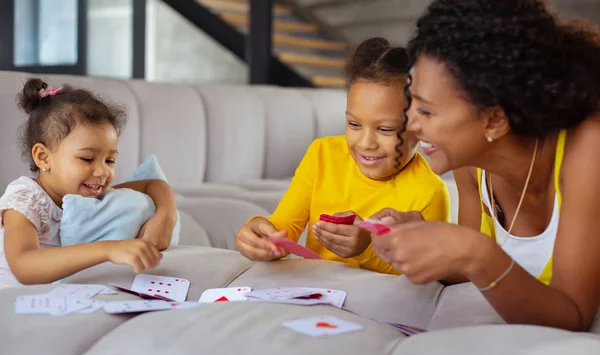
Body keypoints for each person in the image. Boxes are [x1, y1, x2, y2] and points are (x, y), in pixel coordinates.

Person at [371, 0, 600, 330]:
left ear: (494, 119)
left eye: (427, 111)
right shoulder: (472, 163)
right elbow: (478, 268)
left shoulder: (588, 146)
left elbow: (574, 315)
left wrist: (473, 251)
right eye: (412, 104)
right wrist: (428, 237)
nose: (410, 126)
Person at [236, 38, 450, 275]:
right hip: (315, 292)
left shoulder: (430, 193)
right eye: (354, 124)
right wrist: (259, 235)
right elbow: (285, 226)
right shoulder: (322, 155)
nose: (366, 143)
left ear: (419, 128)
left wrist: (367, 245)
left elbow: (419, 274)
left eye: (385, 129)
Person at [0, 78, 178, 289]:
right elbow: (24, 266)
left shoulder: (89, 197)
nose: (103, 171)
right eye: (87, 159)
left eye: (110, 160)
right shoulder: (26, 198)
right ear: (43, 157)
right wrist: (109, 250)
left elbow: (153, 185)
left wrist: (167, 216)